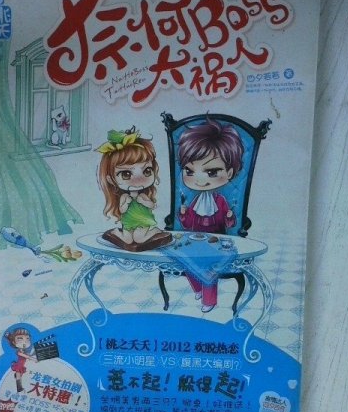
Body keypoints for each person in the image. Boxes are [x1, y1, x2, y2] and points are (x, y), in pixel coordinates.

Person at [177, 118, 244, 311]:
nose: (199, 180)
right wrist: (184, 214)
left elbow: (229, 224)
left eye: (212, 172)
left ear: (229, 173)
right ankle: (198, 288)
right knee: (185, 261)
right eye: (190, 171)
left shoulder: (220, 201)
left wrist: (229, 216)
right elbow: (188, 223)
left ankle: (209, 300)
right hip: (195, 240)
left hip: (217, 242)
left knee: (209, 269)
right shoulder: (195, 201)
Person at [96, 127, 172, 251]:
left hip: (142, 220)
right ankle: (115, 232)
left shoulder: (143, 196)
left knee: (139, 238)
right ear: (111, 180)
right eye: (126, 174)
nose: (139, 179)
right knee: (127, 239)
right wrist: (125, 204)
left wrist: (144, 202)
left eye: (147, 171)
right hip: (128, 222)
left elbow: (152, 205)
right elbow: (122, 209)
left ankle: (155, 231)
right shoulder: (124, 197)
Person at [5, 328, 37, 392]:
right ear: (14, 342)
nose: (25, 342)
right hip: (19, 365)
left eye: (27, 339)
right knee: (19, 376)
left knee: (20, 375)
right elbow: (26, 356)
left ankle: (18, 382)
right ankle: (19, 388)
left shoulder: (24, 351)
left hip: (22, 365)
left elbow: (28, 356)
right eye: (20, 339)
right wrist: (33, 359)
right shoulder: (19, 352)